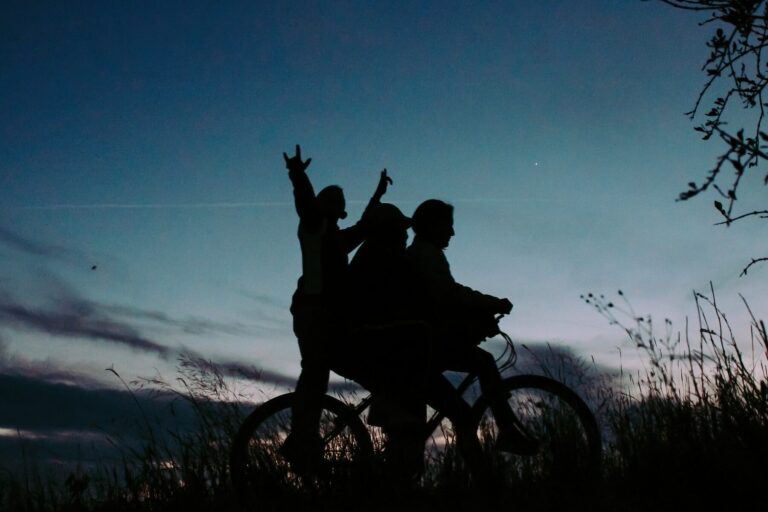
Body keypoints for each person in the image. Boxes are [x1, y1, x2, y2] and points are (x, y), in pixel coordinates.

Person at [280, 145, 391, 469]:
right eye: (333, 202)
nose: (336, 207)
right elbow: (306, 206)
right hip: (314, 314)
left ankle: (307, 439)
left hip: (327, 316)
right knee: (315, 373)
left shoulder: (336, 238)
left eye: (338, 204)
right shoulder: (315, 228)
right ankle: (302, 441)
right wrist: (299, 175)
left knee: (337, 369)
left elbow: (365, 226)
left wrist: (377, 195)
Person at [405, 199, 538, 455]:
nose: (452, 232)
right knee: (482, 367)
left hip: (420, 347)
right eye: (448, 226)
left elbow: (442, 302)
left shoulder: (423, 253)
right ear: (433, 225)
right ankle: (506, 435)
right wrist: (491, 304)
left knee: (462, 409)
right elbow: (448, 295)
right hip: (418, 351)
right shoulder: (425, 254)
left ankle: (495, 455)